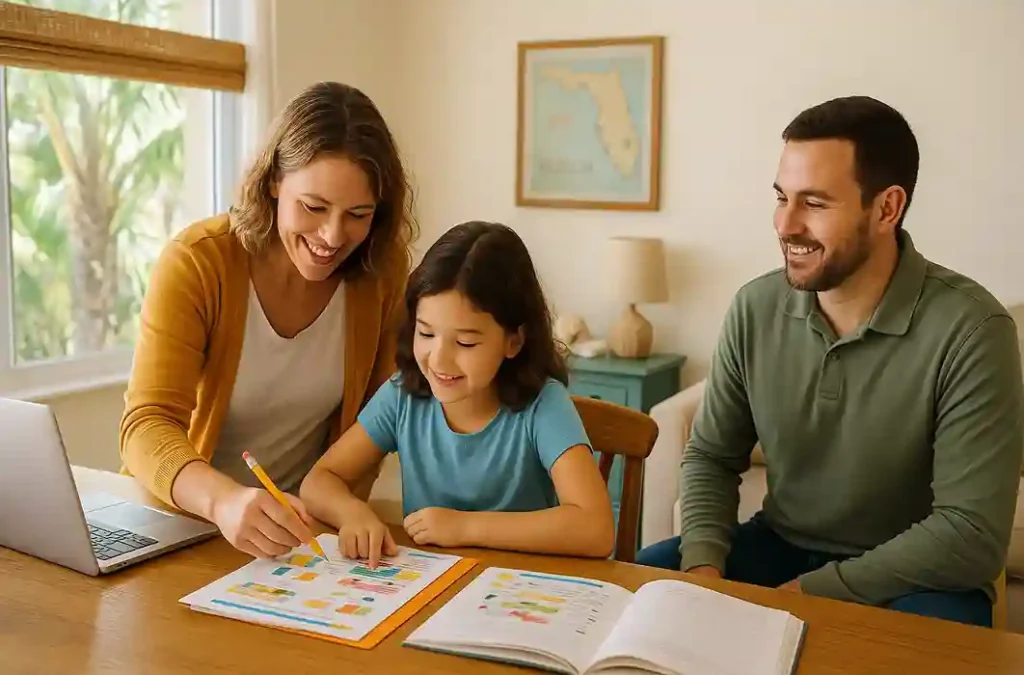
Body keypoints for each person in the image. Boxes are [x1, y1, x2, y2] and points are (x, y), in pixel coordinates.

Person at [635, 95, 1024, 627]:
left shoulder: (973, 331)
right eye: (781, 197)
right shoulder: (755, 307)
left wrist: (809, 593)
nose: (786, 224)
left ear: (886, 208)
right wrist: (704, 568)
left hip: (917, 580)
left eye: (814, 204)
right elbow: (710, 456)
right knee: (636, 596)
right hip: (778, 545)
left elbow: (969, 532)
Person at [119, 81, 416, 560]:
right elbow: (146, 426)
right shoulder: (198, 263)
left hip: (301, 542)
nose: (332, 236)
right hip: (184, 528)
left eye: (358, 214)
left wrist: (337, 514)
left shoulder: (380, 272)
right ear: (274, 181)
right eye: (313, 207)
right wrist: (225, 501)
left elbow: (372, 427)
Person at [300, 221, 615, 565]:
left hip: (517, 591)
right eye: (426, 333)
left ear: (514, 341)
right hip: (429, 589)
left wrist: (464, 527)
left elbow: (595, 529)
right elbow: (320, 481)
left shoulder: (544, 406)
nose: (439, 359)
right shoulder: (402, 396)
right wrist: (352, 513)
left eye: (465, 342)